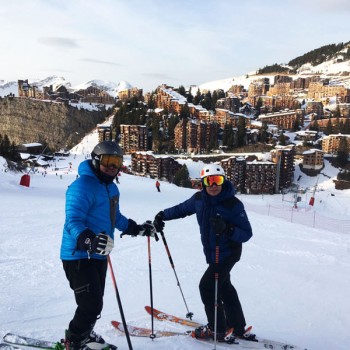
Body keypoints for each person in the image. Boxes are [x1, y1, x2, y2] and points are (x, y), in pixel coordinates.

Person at [60, 140, 156, 350]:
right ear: (96, 161)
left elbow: (116, 218)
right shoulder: (82, 186)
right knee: (90, 304)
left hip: (100, 254)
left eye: (117, 162)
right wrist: (89, 241)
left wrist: (138, 229)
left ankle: (85, 333)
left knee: (96, 302)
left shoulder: (111, 189)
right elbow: (73, 221)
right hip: (77, 255)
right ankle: (74, 341)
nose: (112, 167)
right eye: (107, 161)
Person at [153, 163, 255, 343]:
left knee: (207, 286)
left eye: (218, 180)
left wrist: (227, 229)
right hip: (213, 252)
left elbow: (246, 233)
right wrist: (163, 215)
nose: (214, 185)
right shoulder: (199, 199)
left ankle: (217, 329)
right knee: (224, 287)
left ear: (223, 181)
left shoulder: (233, 204)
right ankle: (237, 326)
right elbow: (182, 209)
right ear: (203, 183)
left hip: (228, 253)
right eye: (210, 181)